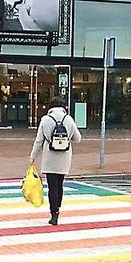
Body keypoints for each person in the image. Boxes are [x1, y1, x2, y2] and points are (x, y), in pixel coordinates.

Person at [30, 96, 82, 226]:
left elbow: (39, 140)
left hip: (50, 156)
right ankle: (58, 208)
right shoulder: (68, 119)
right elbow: (78, 138)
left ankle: (54, 214)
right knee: (60, 184)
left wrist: (33, 156)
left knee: (52, 186)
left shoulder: (46, 119)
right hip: (64, 156)